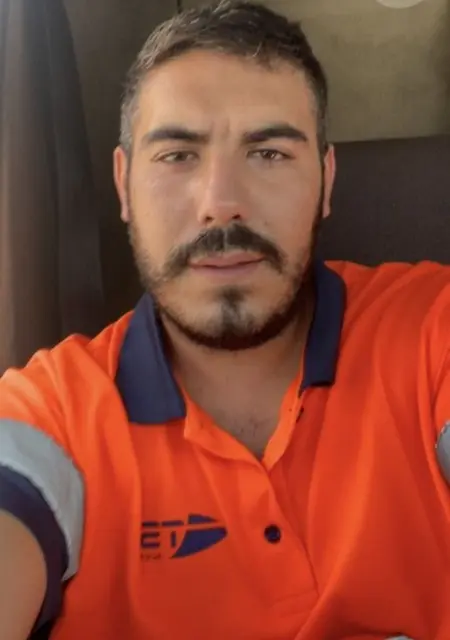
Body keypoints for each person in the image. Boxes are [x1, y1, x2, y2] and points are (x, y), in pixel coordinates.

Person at [1, 1, 449, 638]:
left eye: (268, 153)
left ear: (326, 182)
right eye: (177, 155)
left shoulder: (431, 327)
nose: (221, 204)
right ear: (124, 185)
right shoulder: (52, 413)